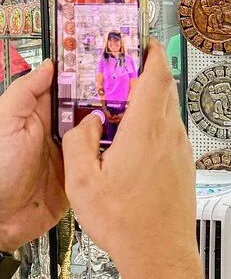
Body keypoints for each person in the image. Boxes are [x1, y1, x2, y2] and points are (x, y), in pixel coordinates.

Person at [0, 39, 203, 278]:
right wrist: (165, 259)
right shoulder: (103, 65)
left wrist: (6, 226)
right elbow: (100, 85)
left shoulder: (126, 63)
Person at [97, 31, 138, 141]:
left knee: (124, 140)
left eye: (116, 41)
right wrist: (104, 109)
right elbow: (99, 85)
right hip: (108, 107)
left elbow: (133, 86)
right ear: (107, 43)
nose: (113, 44)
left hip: (125, 107)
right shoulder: (103, 61)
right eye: (110, 41)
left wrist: (126, 110)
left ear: (121, 43)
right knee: (111, 140)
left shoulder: (129, 60)